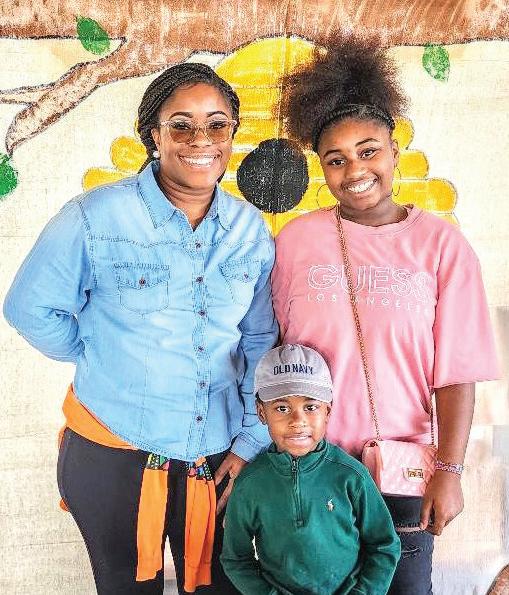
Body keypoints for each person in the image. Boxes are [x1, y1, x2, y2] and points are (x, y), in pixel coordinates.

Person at [3, 62, 279, 595]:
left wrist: (250, 440)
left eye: (217, 124)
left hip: (220, 454)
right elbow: (29, 308)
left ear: (232, 134)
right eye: (182, 125)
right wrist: (99, 353)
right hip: (115, 452)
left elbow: (259, 340)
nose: (201, 139)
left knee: (225, 587)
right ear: (154, 135)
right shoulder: (94, 216)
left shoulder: (249, 230)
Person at [271, 36, 499, 594]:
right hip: (310, 467)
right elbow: (270, 351)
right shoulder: (296, 241)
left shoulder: (442, 246)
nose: (355, 170)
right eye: (336, 159)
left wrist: (449, 472)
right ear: (322, 168)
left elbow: (456, 375)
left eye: (369, 150)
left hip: (401, 474)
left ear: (394, 151)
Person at [221, 343, 400, 595]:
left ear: (328, 410)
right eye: (282, 408)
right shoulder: (250, 483)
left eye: (310, 407)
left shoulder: (351, 476)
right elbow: (236, 559)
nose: (298, 421)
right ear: (261, 413)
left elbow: (384, 546)